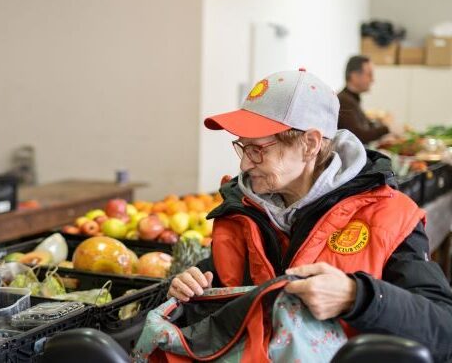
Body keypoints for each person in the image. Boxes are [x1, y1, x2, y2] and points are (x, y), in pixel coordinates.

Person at [168, 68, 452, 361]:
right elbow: (225, 299)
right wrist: (193, 291)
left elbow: (444, 329)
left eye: (258, 149)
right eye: (243, 147)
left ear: (310, 144)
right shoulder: (241, 212)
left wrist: (356, 296)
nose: (244, 166)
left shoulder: (391, 217)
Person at [337, 55, 390, 143]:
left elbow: (366, 125)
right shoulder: (344, 101)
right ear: (354, 76)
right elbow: (358, 136)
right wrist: (387, 128)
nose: (373, 79)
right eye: (369, 74)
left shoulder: (352, 99)